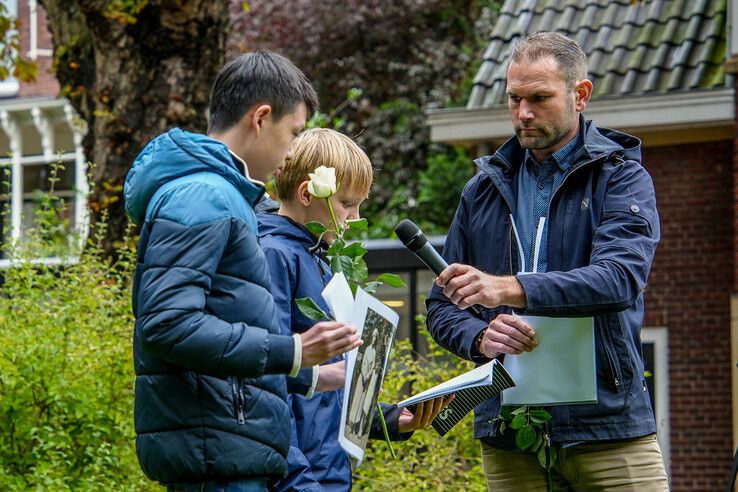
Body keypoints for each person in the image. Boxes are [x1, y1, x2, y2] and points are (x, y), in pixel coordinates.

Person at [425, 32, 669, 490]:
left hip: (609, 428)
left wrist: (508, 288)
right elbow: (441, 306)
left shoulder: (623, 178)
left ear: (581, 95)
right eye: (514, 99)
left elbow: (619, 278)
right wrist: (480, 338)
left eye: (539, 98)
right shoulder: (480, 190)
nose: (523, 113)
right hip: (508, 432)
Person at [124, 52, 362, 491]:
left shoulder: (231, 199)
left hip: (228, 451)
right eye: (293, 134)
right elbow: (167, 324)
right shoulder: (203, 195)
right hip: (215, 456)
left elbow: (225, 330)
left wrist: (306, 376)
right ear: (261, 117)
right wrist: (291, 351)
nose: (292, 154)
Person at [257, 128, 448, 491]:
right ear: (307, 194)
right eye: (347, 204)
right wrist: (298, 482)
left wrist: (386, 419)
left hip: (327, 471)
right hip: (301, 477)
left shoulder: (319, 260)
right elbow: (270, 383)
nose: (355, 217)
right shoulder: (276, 256)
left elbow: (328, 383)